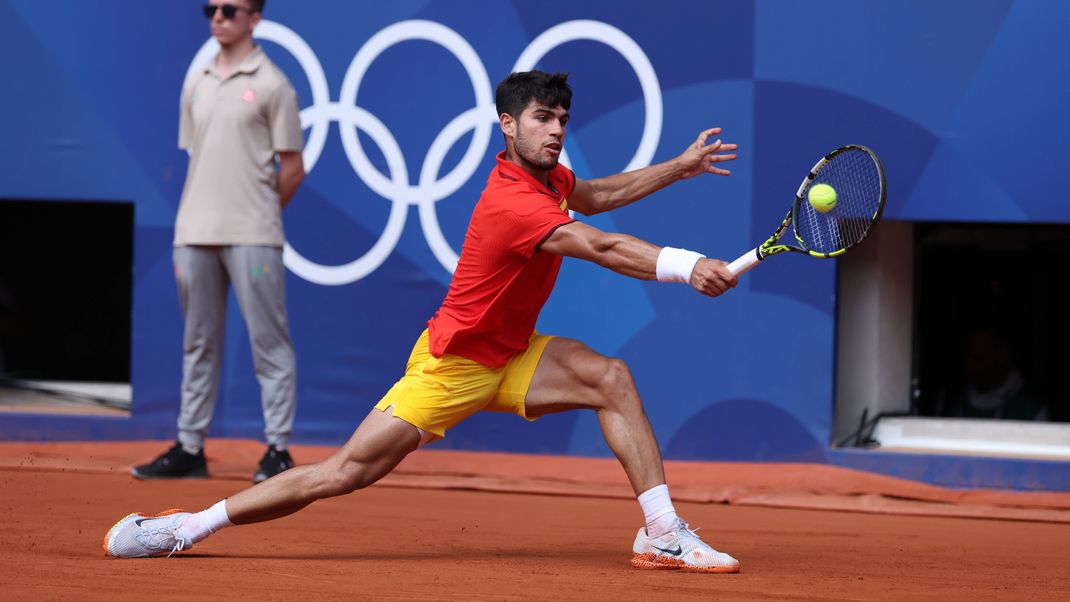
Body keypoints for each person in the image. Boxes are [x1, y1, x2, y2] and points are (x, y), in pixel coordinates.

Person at [106, 70, 742, 573]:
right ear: (508, 125)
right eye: (542, 119)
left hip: (511, 353)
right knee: (343, 473)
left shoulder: (549, 179)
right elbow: (601, 245)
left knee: (611, 377)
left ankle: (663, 534)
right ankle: (184, 527)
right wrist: (688, 266)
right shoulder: (513, 201)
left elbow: (596, 195)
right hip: (453, 364)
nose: (555, 131)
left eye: (562, 121)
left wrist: (678, 169)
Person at [132, 0, 305, 483]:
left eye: (231, 9)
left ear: (255, 18)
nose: (218, 17)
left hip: (253, 235)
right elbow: (198, 155)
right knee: (198, 341)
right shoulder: (198, 79)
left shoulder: (273, 84)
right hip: (194, 233)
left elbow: (292, 168)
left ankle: (277, 450)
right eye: (210, 8)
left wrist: (260, 212)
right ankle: (190, 446)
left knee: (269, 341)